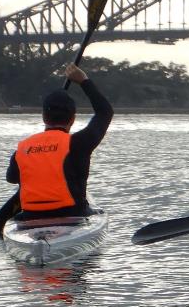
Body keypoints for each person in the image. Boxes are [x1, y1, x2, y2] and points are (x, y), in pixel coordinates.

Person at [7, 64, 113, 218]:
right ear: (73, 119)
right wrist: (83, 80)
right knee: (97, 213)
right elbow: (105, 112)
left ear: (44, 117)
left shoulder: (23, 148)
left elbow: (11, 178)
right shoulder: (79, 143)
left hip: (31, 216)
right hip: (73, 214)